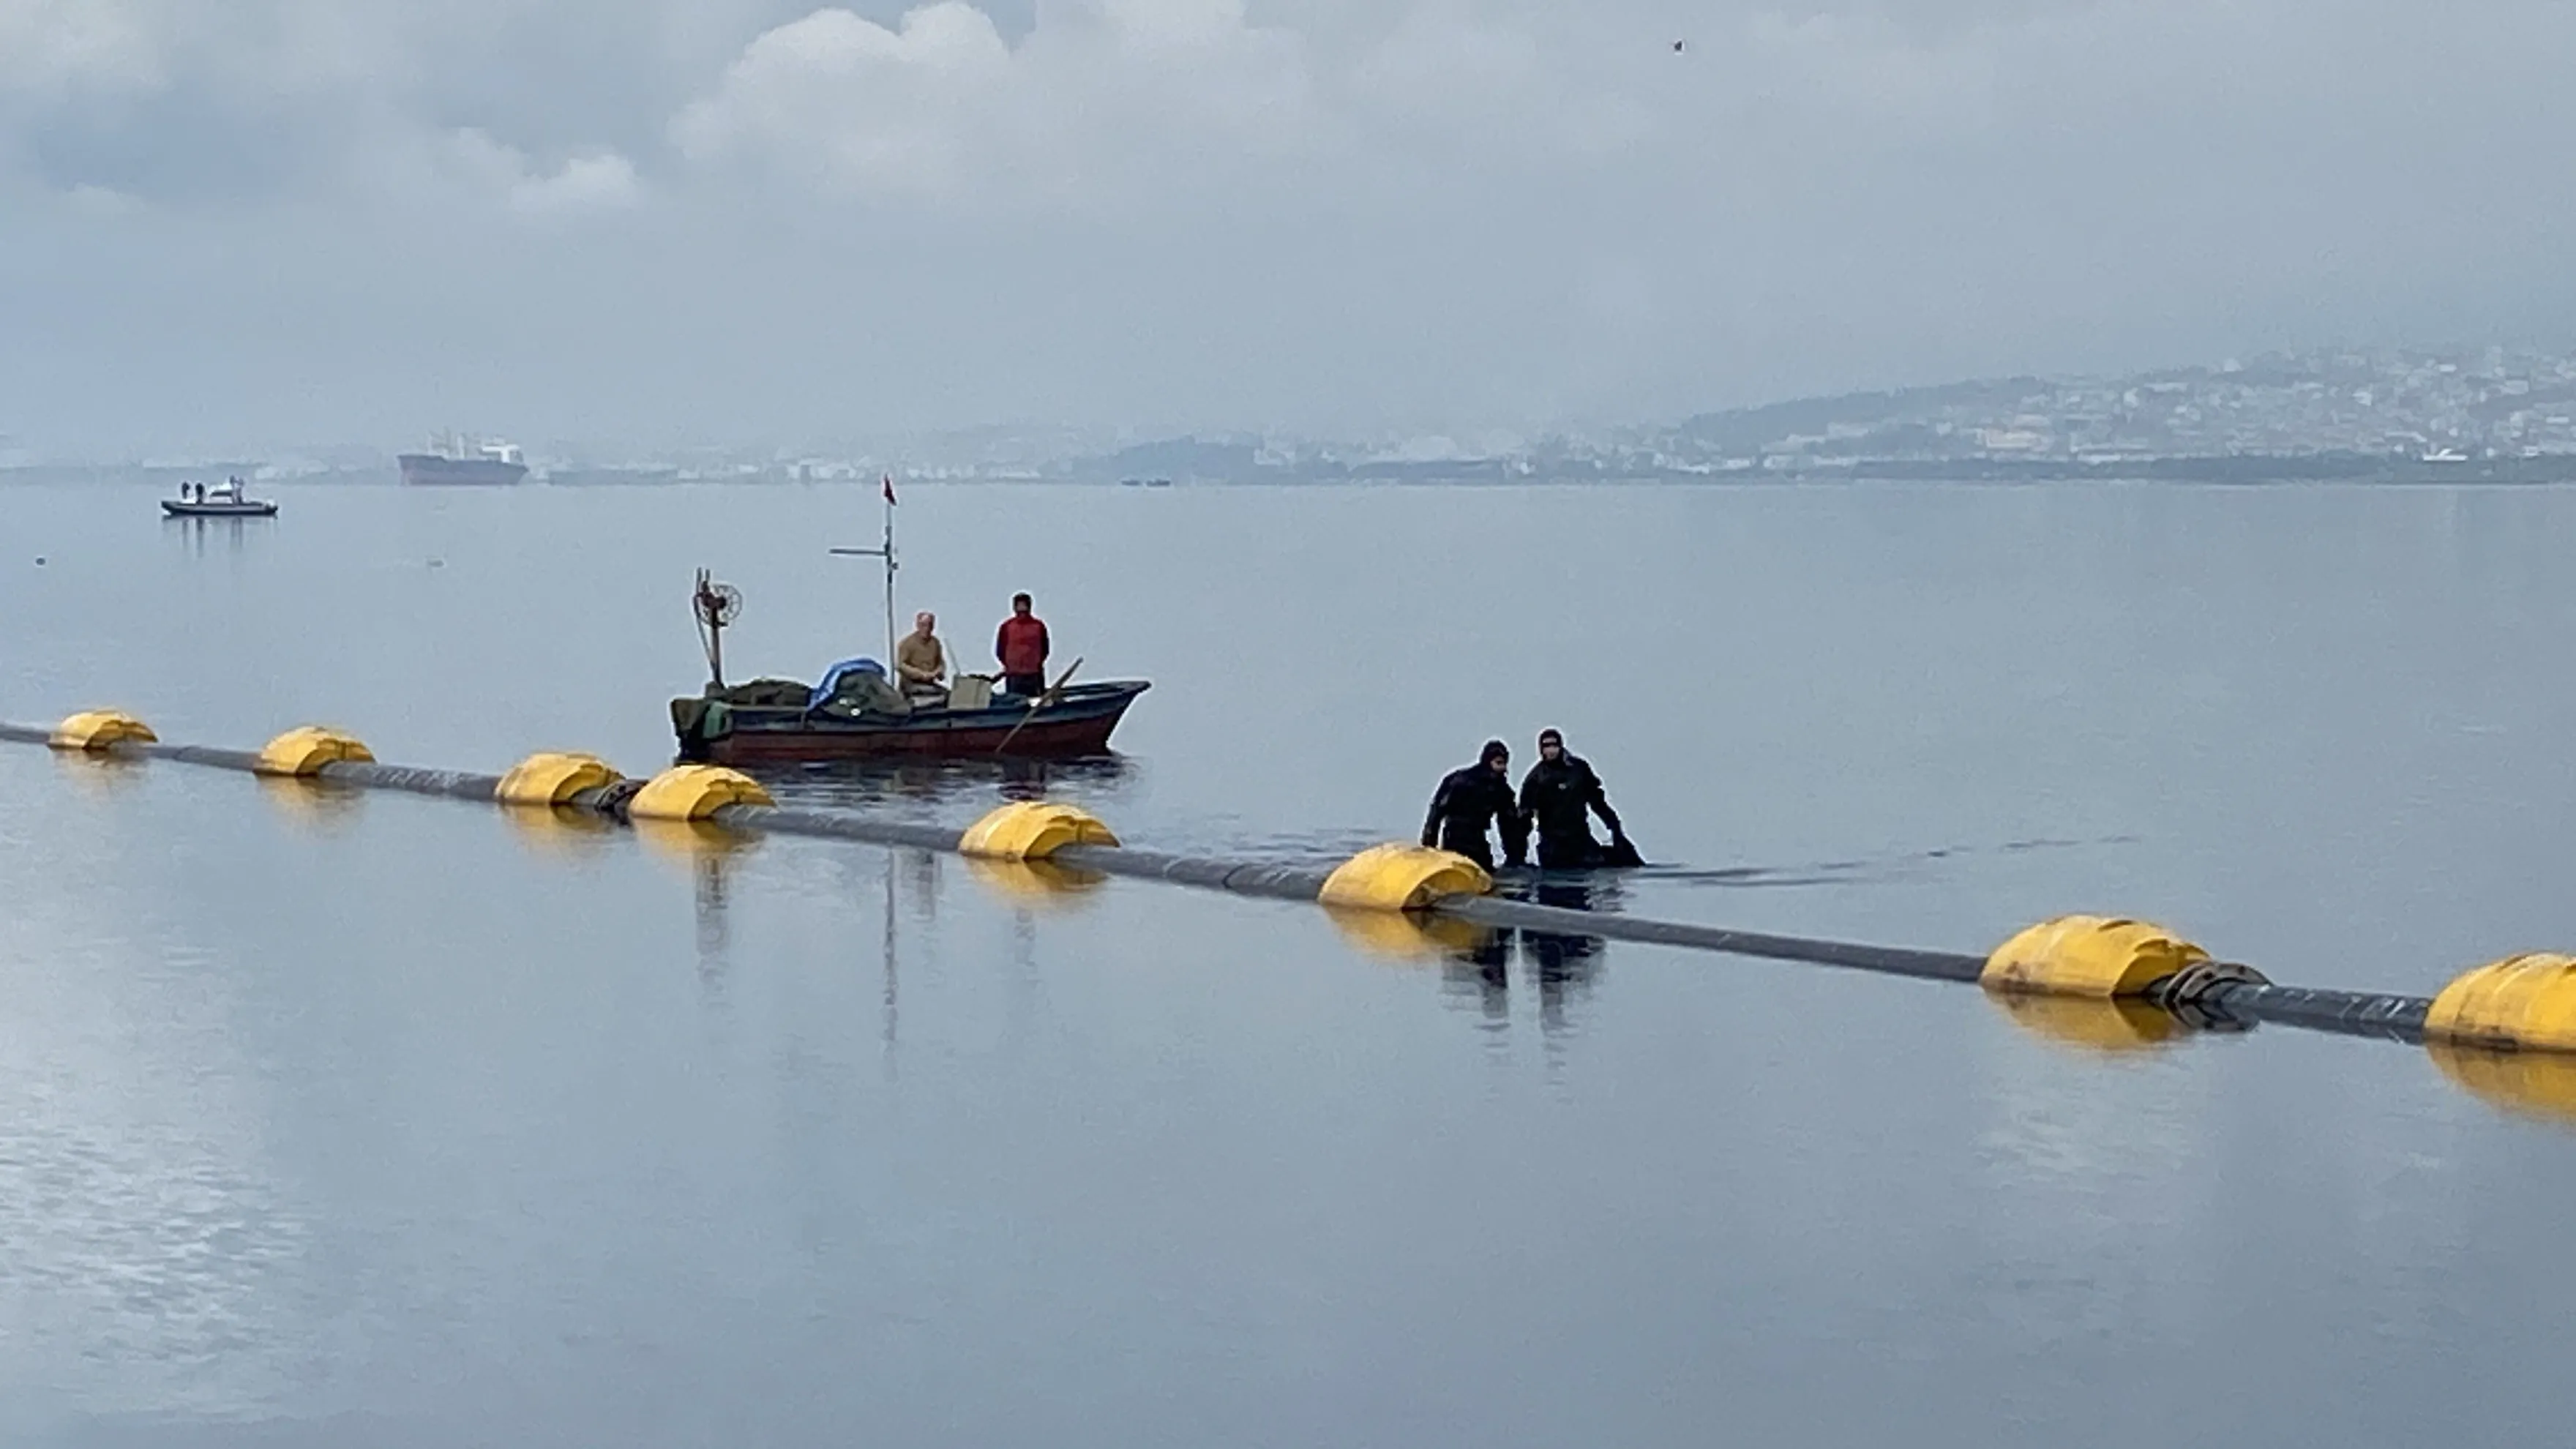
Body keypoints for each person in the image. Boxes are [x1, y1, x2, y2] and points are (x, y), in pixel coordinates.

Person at [1518, 727, 1634, 870]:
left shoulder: (1579, 770)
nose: (1551, 750)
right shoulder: (1535, 779)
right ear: (1541, 749)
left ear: (1561, 746)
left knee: (1618, 861)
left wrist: (1615, 828)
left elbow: (1598, 802)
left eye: (1554, 745)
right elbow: (1524, 817)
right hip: (1553, 845)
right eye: (1546, 746)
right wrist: (1517, 854)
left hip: (1581, 840)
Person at [1421, 739, 1529, 870]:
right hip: (1455, 837)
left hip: (1476, 838)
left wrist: (1515, 858)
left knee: (1483, 868)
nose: (1503, 768)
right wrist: (1429, 849)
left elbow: (1508, 827)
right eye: (1499, 763)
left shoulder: (1501, 790)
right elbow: (1436, 814)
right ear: (1488, 762)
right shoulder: (1459, 782)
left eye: (1505, 764)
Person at [995, 592, 1050, 697]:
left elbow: (1045, 648)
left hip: (1034, 674)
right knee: (1014, 701)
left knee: (1035, 701)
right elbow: (1000, 649)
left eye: (1024, 605)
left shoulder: (1038, 626)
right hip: (1014, 674)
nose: (1022, 608)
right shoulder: (1007, 626)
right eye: (1019, 605)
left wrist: (1036, 663)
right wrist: (1010, 665)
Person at [896, 610, 948, 703]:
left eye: (930, 625)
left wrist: (939, 672)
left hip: (930, 683)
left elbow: (940, 662)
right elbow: (901, 665)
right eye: (924, 625)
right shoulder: (907, 643)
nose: (927, 629)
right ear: (918, 625)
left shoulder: (935, 643)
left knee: (949, 695)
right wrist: (921, 674)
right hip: (911, 685)